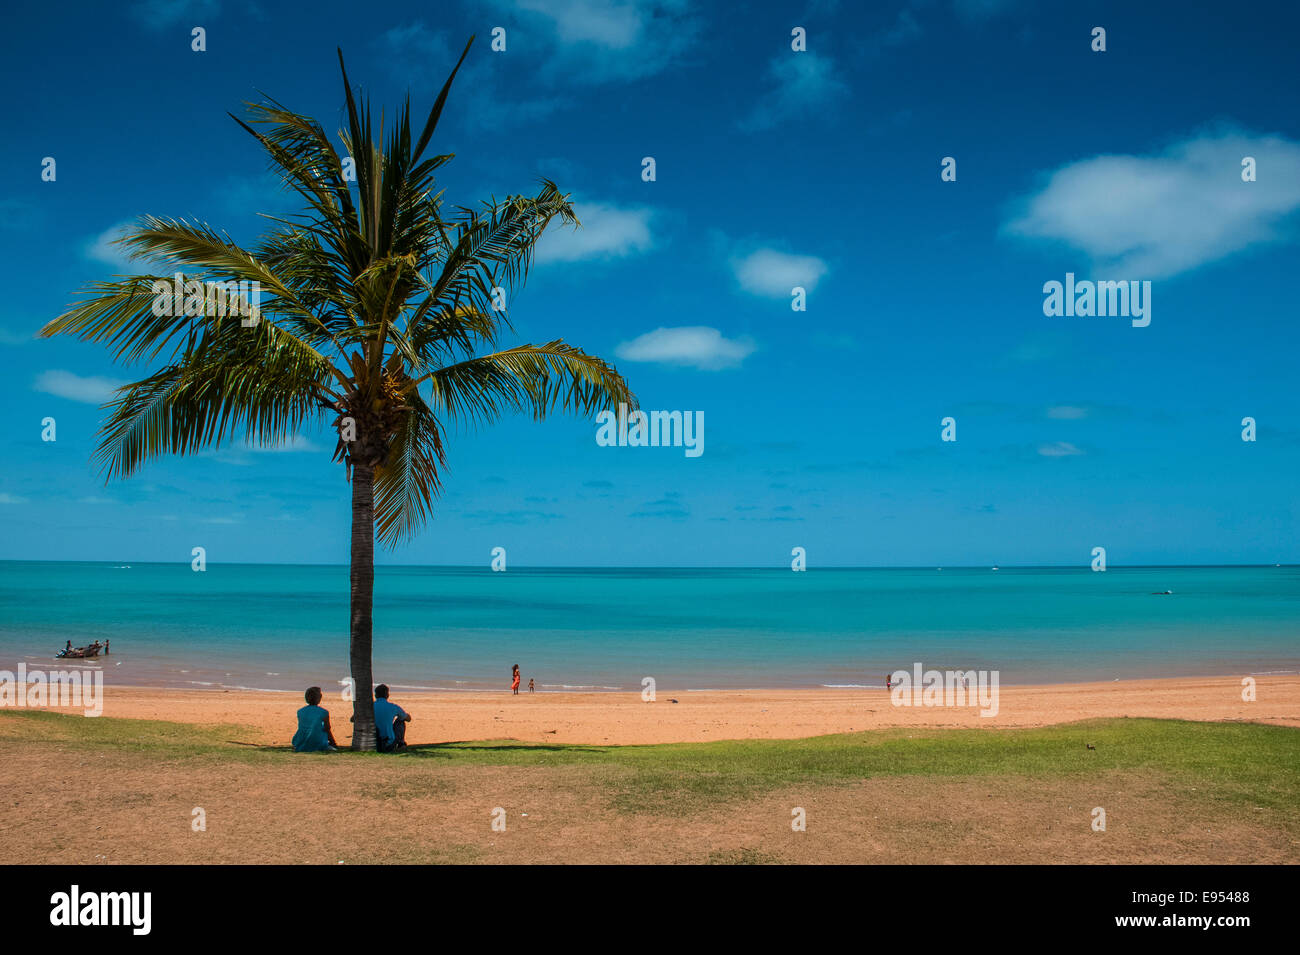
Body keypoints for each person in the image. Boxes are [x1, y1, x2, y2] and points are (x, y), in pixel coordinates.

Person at [292, 686, 338, 752]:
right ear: (319, 698)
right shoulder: (324, 712)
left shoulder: (300, 711)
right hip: (318, 743)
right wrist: (333, 743)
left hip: (301, 742)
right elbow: (327, 729)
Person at [372, 684, 411, 752]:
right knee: (400, 721)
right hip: (389, 743)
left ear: (376, 695)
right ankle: (401, 744)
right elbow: (408, 719)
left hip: (373, 742)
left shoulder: (369, 707)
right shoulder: (393, 707)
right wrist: (405, 715)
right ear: (387, 695)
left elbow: (352, 719)